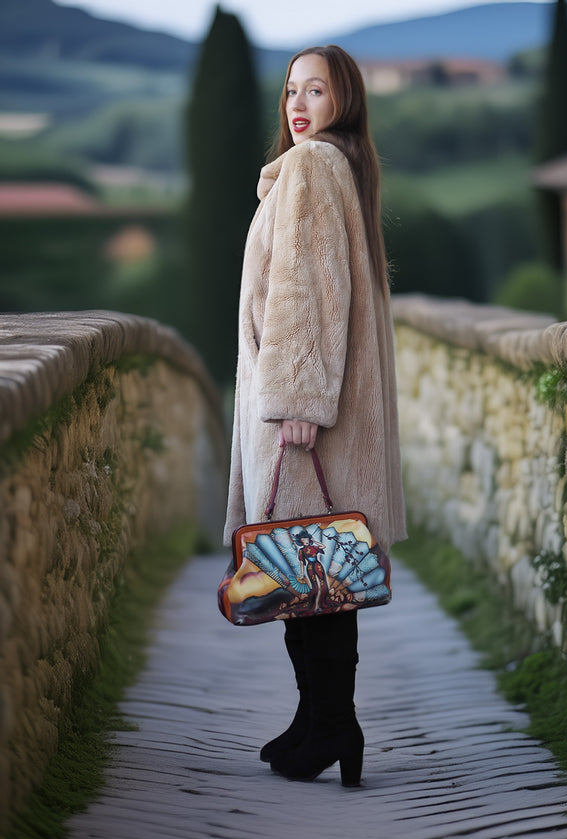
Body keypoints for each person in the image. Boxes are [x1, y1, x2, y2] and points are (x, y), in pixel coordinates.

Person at [223, 44, 407, 786]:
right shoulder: (339, 167)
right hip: (322, 407)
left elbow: (307, 290)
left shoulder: (310, 168)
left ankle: (333, 724)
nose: (298, 105)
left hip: (306, 415)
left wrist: (299, 401)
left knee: (312, 572)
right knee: (312, 574)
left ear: (344, 101)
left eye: (317, 91)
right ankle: (318, 718)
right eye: (291, 90)